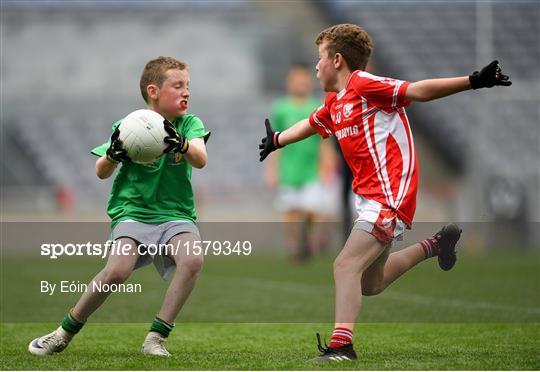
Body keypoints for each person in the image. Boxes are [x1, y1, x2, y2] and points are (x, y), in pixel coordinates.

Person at [259, 24, 511, 362]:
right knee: (369, 284)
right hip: (371, 199)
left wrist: (473, 80)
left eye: (319, 58)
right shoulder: (335, 102)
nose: (315, 65)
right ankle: (435, 245)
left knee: (344, 265)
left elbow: (418, 91)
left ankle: (341, 346)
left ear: (336, 60)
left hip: (389, 195)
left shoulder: (363, 84)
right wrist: (277, 140)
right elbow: (311, 123)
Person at [29, 56, 210, 357]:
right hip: (133, 211)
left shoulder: (190, 124)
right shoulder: (129, 126)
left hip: (175, 213)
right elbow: (101, 171)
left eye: (188, 86)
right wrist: (113, 155)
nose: (186, 92)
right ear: (153, 91)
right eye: (177, 86)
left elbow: (200, 159)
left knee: (192, 261)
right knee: (116, 271)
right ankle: (63, 332)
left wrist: (181, 143)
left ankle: (156, 338)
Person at [265, 64, 336, 262]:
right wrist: (271, 170)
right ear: (289, 83)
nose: (300, 84)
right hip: (288, 168)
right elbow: (273, 142)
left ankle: (308, 242)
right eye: (297, 80)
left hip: (311, 168)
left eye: (304, 81)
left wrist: (328, 166)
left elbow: (325, 141)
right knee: (289, 211)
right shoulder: (280, 108)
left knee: (312, 209)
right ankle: (295, 247)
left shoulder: (318, 107)